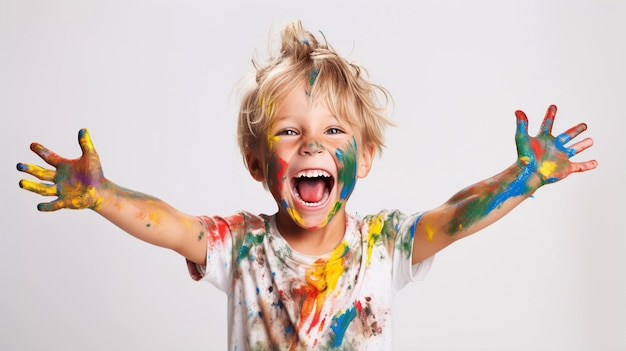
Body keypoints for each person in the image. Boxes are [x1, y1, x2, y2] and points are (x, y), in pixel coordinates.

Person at [16, 21, 597, 350]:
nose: (312, 146)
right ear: (257, 164)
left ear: (365, 156)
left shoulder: (384, 246)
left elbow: (455, 213)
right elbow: (173, 227)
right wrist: (102, 194)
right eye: (289, 132)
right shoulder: (240, 247)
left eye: (333, 131)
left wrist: (522, 180)